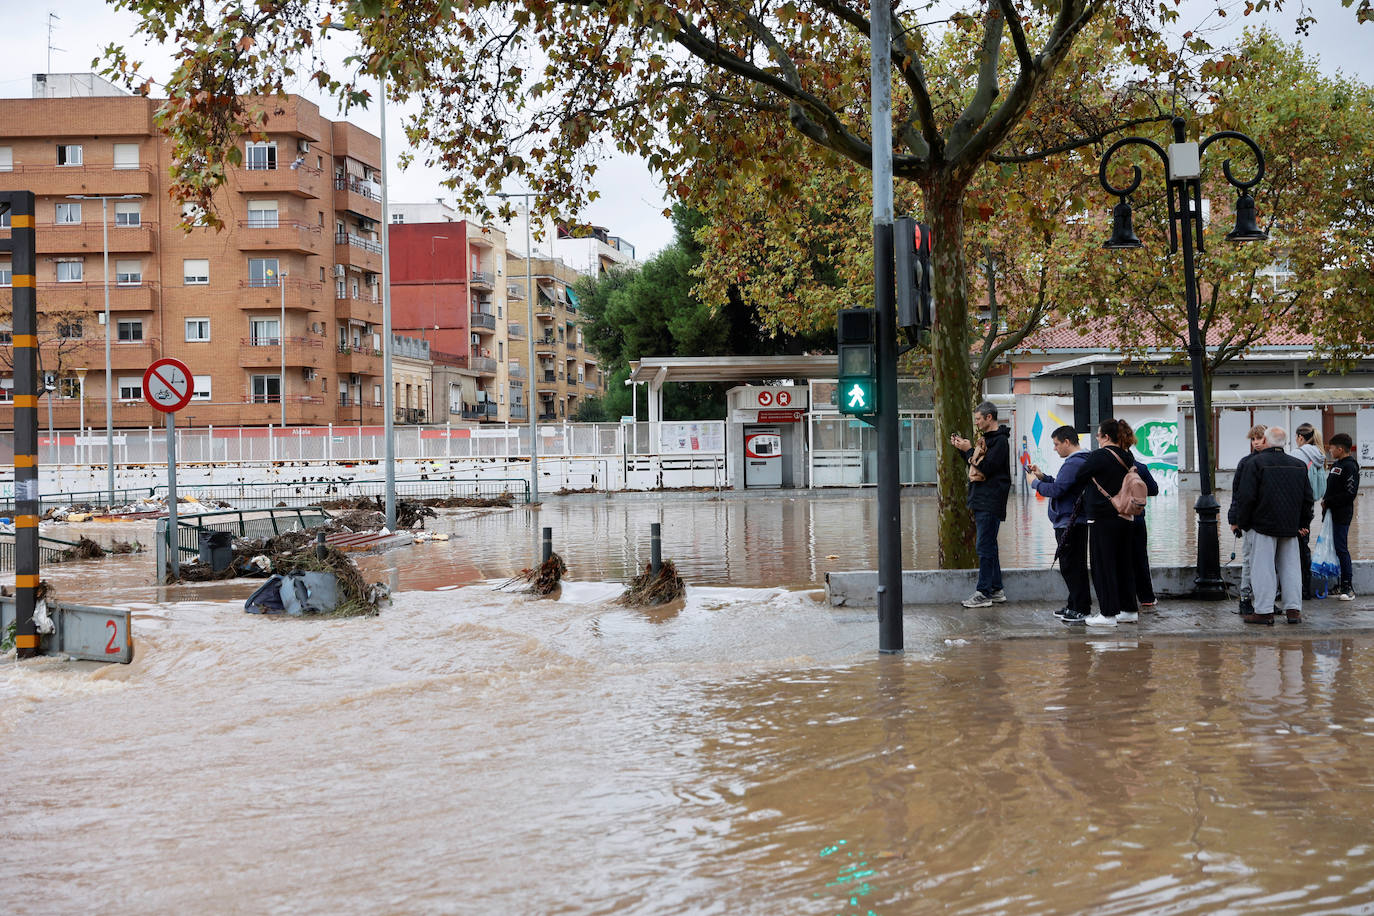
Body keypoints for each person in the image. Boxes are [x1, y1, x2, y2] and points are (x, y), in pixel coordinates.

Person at [1231, 426, 1313, 625]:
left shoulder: (1255, 463)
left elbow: (1246, 497)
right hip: (1290, 527)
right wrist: (1302, 523)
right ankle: (1294, 611)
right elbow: (1307, 499)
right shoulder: (1299, 465)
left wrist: (1242, 523)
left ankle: (1264, 611)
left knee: (1263, 569)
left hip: (1263, 525)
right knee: (1291, 568)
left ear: (1266, 442)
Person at [1078, 418, 1140, 627]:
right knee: (1124, 564)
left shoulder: (1099, 456)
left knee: (1103, 566)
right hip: (1126, 516)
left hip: (1102, 518)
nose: (1096, 437)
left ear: (1105, 437)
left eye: (1098, 434)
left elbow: (1079, 476)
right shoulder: (1128, 456)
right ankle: (1129, 609)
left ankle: (1108, 614)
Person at [1026, 426, 1091, 623]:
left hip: (1070, 522)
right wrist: (1043, 477)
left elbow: (1057, 490)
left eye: (1056, 444)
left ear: (1067, 442)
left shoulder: (1073, 463)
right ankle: (1074, 605)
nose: (1055, 449)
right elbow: (1062, 485)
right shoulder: (1080, 462)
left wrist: (1034, 484)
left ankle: (1080, 608)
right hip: (1072, 520)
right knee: (1072, 565)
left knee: (1071, 566)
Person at [950, 401, 1011, 608]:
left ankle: (983, 592)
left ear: (989, 418)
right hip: (982, 499)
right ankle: (996, 589)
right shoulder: (987, 439)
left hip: (990, 500)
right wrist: (962, 449)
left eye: (978, 419)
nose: (976, 422)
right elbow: (977, 463)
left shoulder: (1000, 442)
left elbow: (988, 467)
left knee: (984, 546)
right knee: (989, 546)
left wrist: (969, 451)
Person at [1118, 421, 1161, 609]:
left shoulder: (1110, 466)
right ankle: (1146, 597)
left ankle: (1122, 600)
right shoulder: (1140, 467)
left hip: (1117, 519)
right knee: (1140, 558)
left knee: (1118, 559)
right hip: (1137, 519)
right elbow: (1153, 490)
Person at [1227, 425, 1269, 614]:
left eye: (1259, 438)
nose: (1256, 442)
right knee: (1248, 559)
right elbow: (1237, 493)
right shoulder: (1245, 463)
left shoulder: (1259, 462)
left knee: (1263, 561)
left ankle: (1263, 598)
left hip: (1262, 519)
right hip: (1251, 521)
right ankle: (1245, 598)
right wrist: (1234, 519)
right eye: (1253, 439)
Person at [1323, 432, 1360, 601]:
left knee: (1341, 548)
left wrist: (1329, 501)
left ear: (1339, 449)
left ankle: (1348, 586)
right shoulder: (1335, 465)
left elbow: (1349, 493)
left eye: (1331, 448)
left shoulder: (1350, 466)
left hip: (1342, 514)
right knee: (1334, 549)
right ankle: (1338, 584)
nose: (1329, 451)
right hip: (1330, 513)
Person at [1294, 423, 1326, 600]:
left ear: (1300, 437)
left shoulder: (1297, 454)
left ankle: (1296, 589)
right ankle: (1306, 589)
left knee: (1292, 549)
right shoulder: (1319, 455)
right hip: (1309, 505)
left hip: (1295, 506)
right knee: (1304, 546)